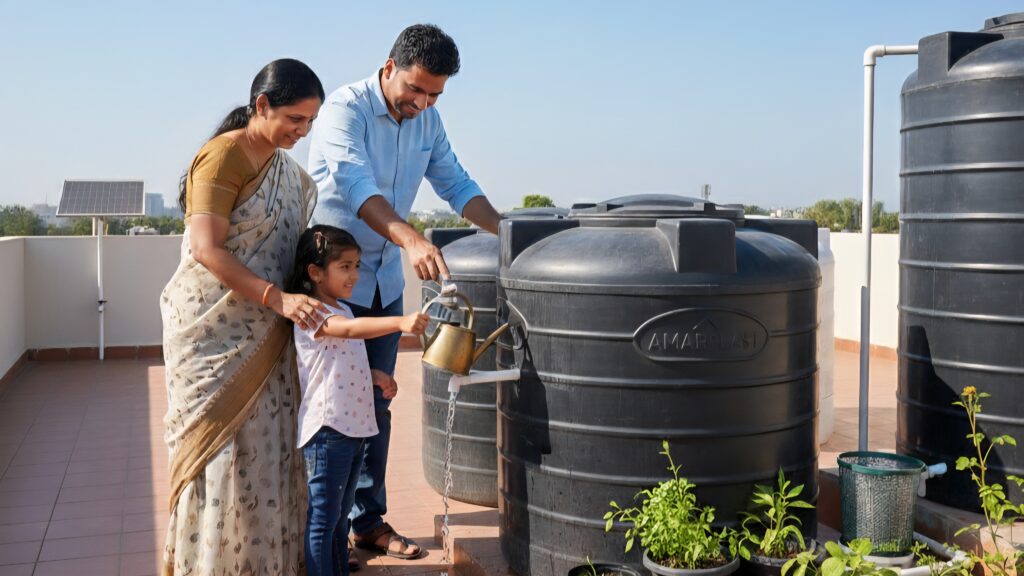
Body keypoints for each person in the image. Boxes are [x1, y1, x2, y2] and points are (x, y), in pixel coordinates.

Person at [307, 24, 502, 562]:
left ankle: (367, 522)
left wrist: (509, 236)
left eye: (435, 94)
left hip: (383, 284)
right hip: (334, 284)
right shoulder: (343, 110)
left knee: (378, 401)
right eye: (416, 89)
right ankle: (321, 532)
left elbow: (458, 186)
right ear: (389, 67)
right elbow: (357, 187)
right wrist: (412, 238)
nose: (423, 102)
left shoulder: (429, 121)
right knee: (330, 412)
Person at [160, 59, 328, 576]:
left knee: (267, 448)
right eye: (294, 120)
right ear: (262, 107)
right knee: (221, 450)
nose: (302, 132)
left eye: (309, 123)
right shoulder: (222, 157)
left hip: (269, 330)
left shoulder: (291, 175)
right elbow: (209, 249)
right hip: (212, 333)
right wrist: (278, 300)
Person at [289, 225, 428, 576]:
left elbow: (342, 358)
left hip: (351, 431)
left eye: (356, 266)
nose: (355, 275)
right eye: (345, 267)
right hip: (328, 429)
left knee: (338, 517)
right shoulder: (314, 313)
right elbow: (348, 332)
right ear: (315, 273)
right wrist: (400, 321)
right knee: (323, 518)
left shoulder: (343, 309)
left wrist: (374, 375)